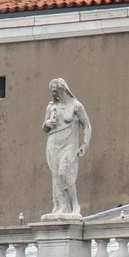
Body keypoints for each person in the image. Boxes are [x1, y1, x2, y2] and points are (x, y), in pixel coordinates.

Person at [42, 78, 91, 218]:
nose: (55, 94)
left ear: (64, 90)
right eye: (53, 92)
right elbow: (44, 128)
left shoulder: (76, 106)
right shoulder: (51, 107)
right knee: (56, 175)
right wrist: (47, 123)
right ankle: (61, 206)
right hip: (53, 142)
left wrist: (85, 144)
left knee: (65, 172)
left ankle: (75, 204)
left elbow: (86, 125)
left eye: (57, 91)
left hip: (69, 144)